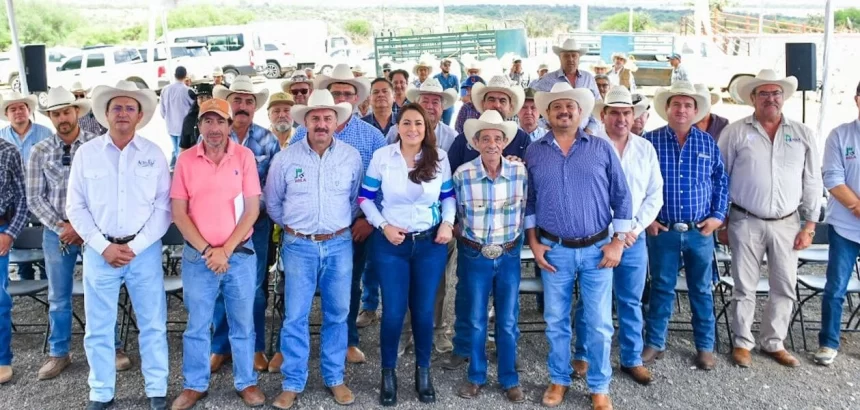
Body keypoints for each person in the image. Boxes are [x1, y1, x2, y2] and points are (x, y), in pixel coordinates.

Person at [66, 80, 171, 410]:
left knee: (152, 324)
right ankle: (101, 391)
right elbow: (75, 207)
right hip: (100, 254)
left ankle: (157, 389)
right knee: (98, 328)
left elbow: (164, 208)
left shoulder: (153, 154)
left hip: (143, 253)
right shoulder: (87, 154)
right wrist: (102, 246)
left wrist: (135, 247)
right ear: (106, 114)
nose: (123, 113)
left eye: (129, 108)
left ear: (139, 115)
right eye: (117, 107)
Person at [525, 82, 630, 410]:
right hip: (553, 249)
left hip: (598, 250)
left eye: (569, 106)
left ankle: (599, 386)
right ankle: (559, 379)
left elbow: (622, 197)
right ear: (547, 113)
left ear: (581, 112)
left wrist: (618, 242)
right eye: (557, 107)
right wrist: (534, 243)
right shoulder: (535, 151)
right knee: (556, 319)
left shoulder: (600, 148)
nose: (564, 111)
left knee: (599, 323)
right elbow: (529, 202)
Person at [265, 90, 362, 409]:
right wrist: (297, 228)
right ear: (305, 121)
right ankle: (293, 382)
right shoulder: (286, 158)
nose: (321, 124)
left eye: (327, 118)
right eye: (315, 118)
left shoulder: (351, 157)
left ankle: (334, 378)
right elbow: (273, 203)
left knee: (338, 313)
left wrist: (333, 227)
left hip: (338, 244)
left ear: (337, 122)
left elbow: (353, 201)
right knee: (295, 316)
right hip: (298, 246)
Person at [719, 70, 821, 368]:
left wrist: (811, 225)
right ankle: (742, 343)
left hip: (788, 223)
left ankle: (774, 342)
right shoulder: (735, 132)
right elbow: (720, 177)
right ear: (752, 98)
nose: (770, 98)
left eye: (776, 93)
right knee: (744, 286)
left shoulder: (802, 133)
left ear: (784, 97)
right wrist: (723, 221)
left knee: (784, 285)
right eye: (763, 93)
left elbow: (812, 180)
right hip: (744, 220)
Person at [169, 98, 266, 410]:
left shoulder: (244, 156)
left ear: (228, 125)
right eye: (207, 122)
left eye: (220, 122)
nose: (214, 128)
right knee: (197, 324)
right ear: (199, 126)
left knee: (242, 323)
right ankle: (194, 385)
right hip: (200, 258)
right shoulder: (185, 160)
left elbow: (252, 210)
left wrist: (225, 250)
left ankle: (246, 382)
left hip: (239, 255)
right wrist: (210, 250)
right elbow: (179, 214)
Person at [27, 87, 129, 381]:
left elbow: (110, 192)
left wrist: (85, 228)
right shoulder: (39, 152)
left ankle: (112, 347)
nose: (62, 118)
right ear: (50, 116)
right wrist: (64, 227)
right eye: (56, 113)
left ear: (77, 113)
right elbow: (35, 197)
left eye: (66, 112)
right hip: (57, 231)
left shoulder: (98, 146)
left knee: (102, 291)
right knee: (58, 296)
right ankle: (59, 353)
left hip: (95, 231)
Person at [288, 63, 388, 366]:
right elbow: (285, 182)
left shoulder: (372, 137)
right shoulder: (299, 135)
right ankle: (297, 349)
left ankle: (347, 341)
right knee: (303, 294)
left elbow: (384, 183)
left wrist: (367, 220)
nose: (343, 97)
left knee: (350, 284)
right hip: (309, 230)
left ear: (357, 99)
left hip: (355, 225)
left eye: (348, 93)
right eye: (337, 93)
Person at [358, 103, 455, 406]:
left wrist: (448, 223)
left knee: (424, 312)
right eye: (407, 123)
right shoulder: (382, 158)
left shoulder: (438, 158)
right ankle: (389, 375)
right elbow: (366, 197)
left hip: (429, 244)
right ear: (397, 127)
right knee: (395, 312)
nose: (413, 129)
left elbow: (448, 196)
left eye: (419, 124)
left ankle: (422, 374)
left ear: (427, 129)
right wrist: (383, 225)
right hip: (391, 245)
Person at [572, 86, 663, 386]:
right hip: (598, 238)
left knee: (630, 300)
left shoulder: (645, 149)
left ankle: (631, 358)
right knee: (591, 301)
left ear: (634, 115)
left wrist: (632, 230)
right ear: (603, 115)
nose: (621, 118)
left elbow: (655, 195)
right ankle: (583, 354)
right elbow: (583, 195)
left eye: (626, 112)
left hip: (633, 240)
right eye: (615, 112)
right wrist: (612, 234)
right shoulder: (589, 147)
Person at [641, 81, 728, 371]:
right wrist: (648, 219)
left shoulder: (707, 142)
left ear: (695, 110)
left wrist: (718, 216)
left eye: (687, 105)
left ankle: (705, 346)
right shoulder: (649, 142)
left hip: (699, 231)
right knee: (661, 287)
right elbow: (638, 185)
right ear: (667, 108)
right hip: (662, 230)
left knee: (701, 289)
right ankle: (655, 343)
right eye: (676, 104)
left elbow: (721, 182)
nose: (681, 109)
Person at [453, 110, 527, 403]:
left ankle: (509, 378)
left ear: (506, 142)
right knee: (475, 318)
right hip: (475, 254)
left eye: (498, 138)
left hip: (508, 253)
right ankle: (476, 376)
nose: (492, 144)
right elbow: (452, 212)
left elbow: (527, 209)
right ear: (476, 142)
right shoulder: (463, 175)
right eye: (486, 139)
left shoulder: (520, 172)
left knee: (508, 319)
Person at [210, 75, 279, 374]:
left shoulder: (268, 140)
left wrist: (252, 211)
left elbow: (274, 187)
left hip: (256, 225)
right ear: (228, 104)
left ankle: (255, 347)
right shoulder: (211, 138)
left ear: (255, 107)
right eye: (237, 100)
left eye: (248, 101)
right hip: (216, 225)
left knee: (253, 288)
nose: (242, 106)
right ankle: (220, 348)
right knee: (218, 285)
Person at [815, 80, 860, 366]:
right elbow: (832, 178)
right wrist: (858, 207)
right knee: (835, 288)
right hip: (845, 227)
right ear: (857, 99)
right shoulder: (840, 135)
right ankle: (828, 343)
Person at [0, 91, 52, 281]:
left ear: (28, 110)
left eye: (21, 107)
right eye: (13, 109)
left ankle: (47, 277)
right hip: (15, 201)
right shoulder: (2, 137)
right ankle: (25, 275)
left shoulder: (44, 133)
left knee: (44, 236)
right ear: (7, 114)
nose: (18, 112)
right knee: (20, 237)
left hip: (41, 195)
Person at [529, 38, 601, 134]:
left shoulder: (588, 78)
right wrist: (547, 128)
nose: (570, 59)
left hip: (585, 135)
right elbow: (533, 104)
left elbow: (597, 107)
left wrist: (589, 131)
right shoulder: (547, 80)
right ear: (560, 58)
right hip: (556, 136)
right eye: (566, 56)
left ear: (579, 58)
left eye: (574, 56)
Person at [0, 134, 27, 385]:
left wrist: (10, 233)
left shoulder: (8, 151)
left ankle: (1, 358)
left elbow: (22, 197)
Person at [386, 78, 458, 151]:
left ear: (442, 107)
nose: (429, 106)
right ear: (416, 105)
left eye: (435, 102)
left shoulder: (451, 136)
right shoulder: (396, 131)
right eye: (425, 101)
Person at [160, 66, 194, 167]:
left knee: (176, 151)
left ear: (175, 75)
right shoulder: (187, 90)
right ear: (185, 75)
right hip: (183, 127)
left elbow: (162, 111)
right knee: (182, 153)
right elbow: (194, 108)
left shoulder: (165, 90)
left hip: (170, 126)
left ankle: (177, 171)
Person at [179, 83, 214, 152]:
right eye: (201, 97)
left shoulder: (221, 118)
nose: (205, 100)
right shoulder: (189, 120)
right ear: (197, 100)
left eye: (208, 97)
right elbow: (184, 147)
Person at [434, 58, 459, 126]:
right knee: (436, 123)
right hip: (438, 103)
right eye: (445, 65)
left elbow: (456, 91)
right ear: (441, 66)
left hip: (449, 104)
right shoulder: (436, 77)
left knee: (447, 124)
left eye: (449, 65)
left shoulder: (454, 78)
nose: (447, 67)